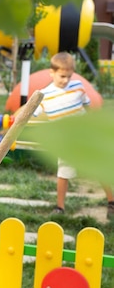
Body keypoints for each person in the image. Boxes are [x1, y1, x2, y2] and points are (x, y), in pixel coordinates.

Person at [32, 52, 114, 216]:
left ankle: (112, 201)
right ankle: (60, 207)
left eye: (69, 76)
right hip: (66, 141)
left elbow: (88, 108)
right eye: (62, 76)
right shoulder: (44, 95)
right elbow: (32, 114)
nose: (65, 80)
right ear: (52, 73)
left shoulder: (78, 87)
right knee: (64, 172)